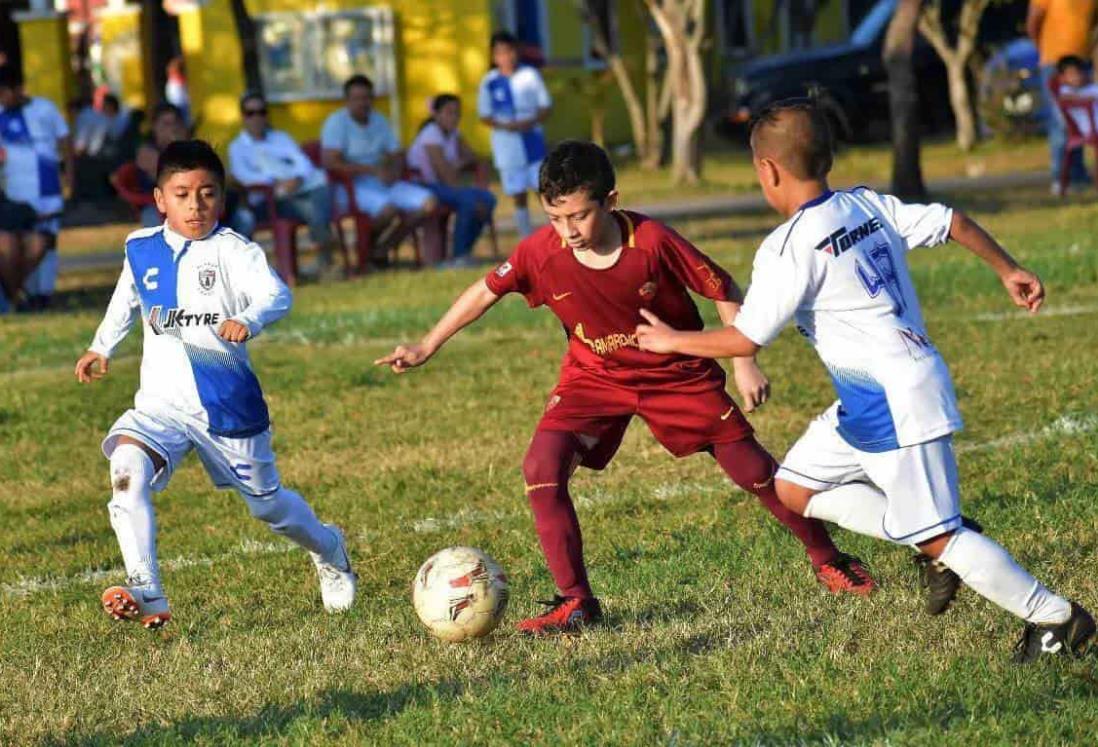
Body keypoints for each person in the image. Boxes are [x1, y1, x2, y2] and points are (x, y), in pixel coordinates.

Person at [633, 99, 1095, 663]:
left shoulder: (788, 246)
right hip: (873, 400)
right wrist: (1008, 268)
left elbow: (747, 339)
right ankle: (928, 532)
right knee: (795, 489)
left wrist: (671, 341)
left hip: (894, 403)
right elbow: (951, 220)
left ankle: (1057, 617)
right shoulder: (864, 205)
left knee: (939, 535)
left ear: (767, 171)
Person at [376, 140, 877, 636]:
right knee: (541, 469)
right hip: (593, 377)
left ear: (611, 200)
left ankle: (827, 557)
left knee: (753, 471)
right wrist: (427, 345)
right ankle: (576, 602)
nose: (567, 232)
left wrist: (744, 362)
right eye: (555, 218)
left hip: (676, 375)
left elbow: (722, 289)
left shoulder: (652, 241)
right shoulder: (540, 252)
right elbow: (486, 290)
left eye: (578, 216)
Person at [74, 140, 356, 629]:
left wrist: (248, 317)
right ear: (160, 199)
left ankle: (329, 548)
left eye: (207, 194)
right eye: (182, 194)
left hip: (226, 405)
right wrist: (101, 347)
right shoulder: (139, 248)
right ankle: (148, 591)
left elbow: (277, 294)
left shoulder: (233, 250)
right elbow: (127, 299)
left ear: (221, 199)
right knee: (125, 469)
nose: (195, 205)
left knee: (269, 507)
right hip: (160, 406)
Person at [320, 74, 436, 267]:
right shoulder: (336, 122)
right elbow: (330, 162)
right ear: (347, 101)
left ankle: (382, 249)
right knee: (387, 210)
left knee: (428, 203)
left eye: (366, 98)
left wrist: (394, 170)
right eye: (357, 99)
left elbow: (397, 153)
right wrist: (370, 170)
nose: (363, 103)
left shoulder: (379, 121)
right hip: (351, 185)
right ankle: (365, 248)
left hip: (383, 181)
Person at [229, 91, 339, 275]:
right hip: (268, 201)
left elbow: (303, 163)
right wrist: (276, 183)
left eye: (261, 112)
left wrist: (296, 179)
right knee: (314, 206)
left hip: (300, 189)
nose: (257, 118)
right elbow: (244, 176)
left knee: (322, 189)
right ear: (243, 117)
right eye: (251, 113)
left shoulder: (281, 138)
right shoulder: (238, 147)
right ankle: (325, 253)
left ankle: (324, 256)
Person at [0, 66, 73, 311]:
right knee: (16, 244)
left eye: (4, 93)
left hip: (48, 188)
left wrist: (69, 178)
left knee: (46, 244)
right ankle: (22, 293)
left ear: (17, 89)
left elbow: (64, 142)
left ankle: (42, 293)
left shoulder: (45, 108)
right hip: (15, 193)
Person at [136, 102, 254, 236]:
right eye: (166, 124)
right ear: (154, 127)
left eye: (176, 123)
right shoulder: (147, 152)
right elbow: (174, 174)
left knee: (243, 218)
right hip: (159, 209)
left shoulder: (190, 148)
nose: (172, 128)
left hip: (199, 207)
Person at [408, 93, 496, 267]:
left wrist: (459, 164)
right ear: (436, 114)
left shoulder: (454, 133)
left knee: (488, 199)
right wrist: (459, 165)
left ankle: (465, 251)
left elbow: (473, 157)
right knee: (470, 201)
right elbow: (446, 175)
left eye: (457, 113)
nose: (454, 117)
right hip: (424, 187)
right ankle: (458, 255)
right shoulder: (430, 135)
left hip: (443, 187)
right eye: (449, 112)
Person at [478, 31, 551, 239]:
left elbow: (545, 106)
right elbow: (484, 115)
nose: (505, 57)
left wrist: (530, 122)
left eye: (509, 51)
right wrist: (505, 126)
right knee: (518, 194)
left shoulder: (529, 75)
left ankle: (559, 234)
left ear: (516, 51)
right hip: (507, 147)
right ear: (493, 56)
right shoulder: (489, 82)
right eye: (499, 53)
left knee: (544, 190)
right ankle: (526, 237)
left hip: (533, 143)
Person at [1026, 0, 1098, 194]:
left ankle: (1078, 175)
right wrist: (1042, 49)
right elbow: (1033, 21)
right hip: (1054, 62)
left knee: (1080, 121)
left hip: (1082, 64)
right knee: (1061, 121)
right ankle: (1060, 177)